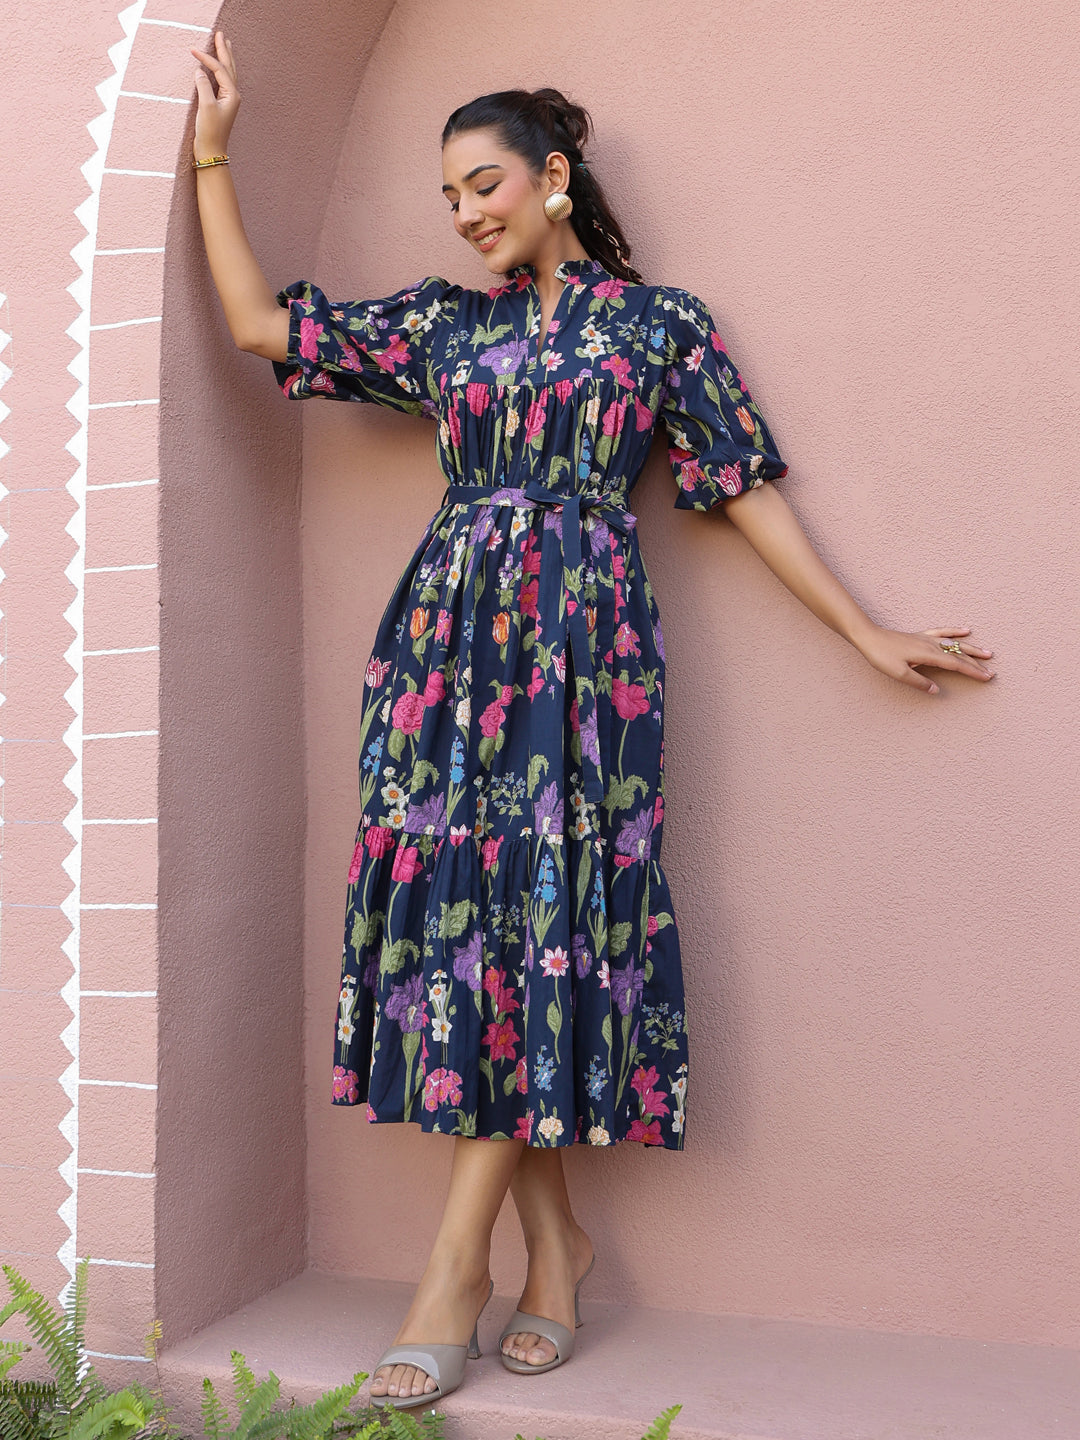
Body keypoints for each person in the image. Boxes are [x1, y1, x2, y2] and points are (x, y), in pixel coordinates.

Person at [190, 32, 995, 1411]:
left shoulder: (661, 326)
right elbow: (268, 331)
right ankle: (551, 1249)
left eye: (484, 182)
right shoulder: (451, 326)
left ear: (555, 176)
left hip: (587, 659)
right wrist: (212, 157)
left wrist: (861, 625)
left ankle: (455, 1274)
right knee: (480, 930)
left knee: (543, 924)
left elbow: (740, 484)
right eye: (448, 196)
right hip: (445, 653)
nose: (465, 212)